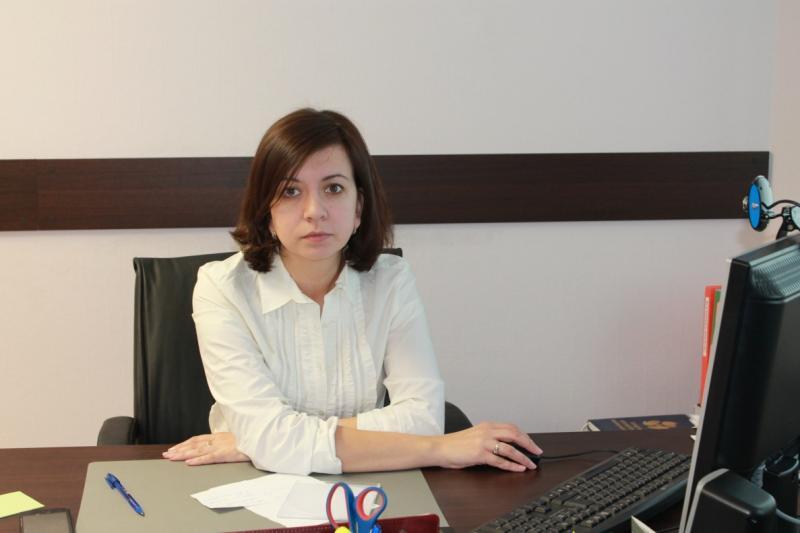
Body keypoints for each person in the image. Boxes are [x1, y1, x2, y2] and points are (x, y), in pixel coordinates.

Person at [162, 108, 542, 475]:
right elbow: (426, 435)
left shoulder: (391, 280)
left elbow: (424, 418)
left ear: (358, 207)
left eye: (333, 188)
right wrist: (438, 448)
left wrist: (260, 440)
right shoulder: (221, 288)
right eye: (291, 191)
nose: (314, 211)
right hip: (252, 483)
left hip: (374, 482)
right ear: (267, 213)